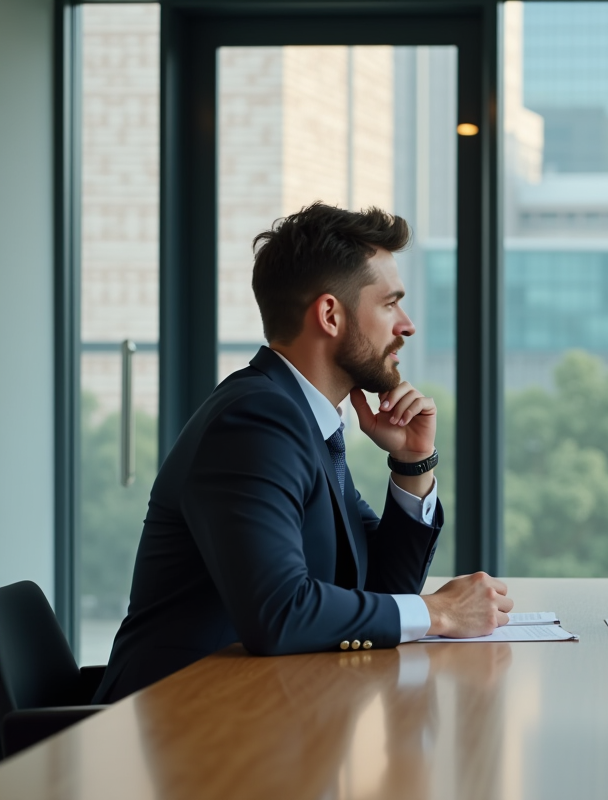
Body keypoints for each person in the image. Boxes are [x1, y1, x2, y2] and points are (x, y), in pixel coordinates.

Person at [95, 203, 512, 703]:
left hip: (256, 713)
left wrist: (412, 465)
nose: (406, 325)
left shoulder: (302, 421)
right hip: (183, 725)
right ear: (330, 315)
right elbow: (279, 612)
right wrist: (439, 612)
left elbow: (382, 588)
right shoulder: (255, 422)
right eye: (389, 304)